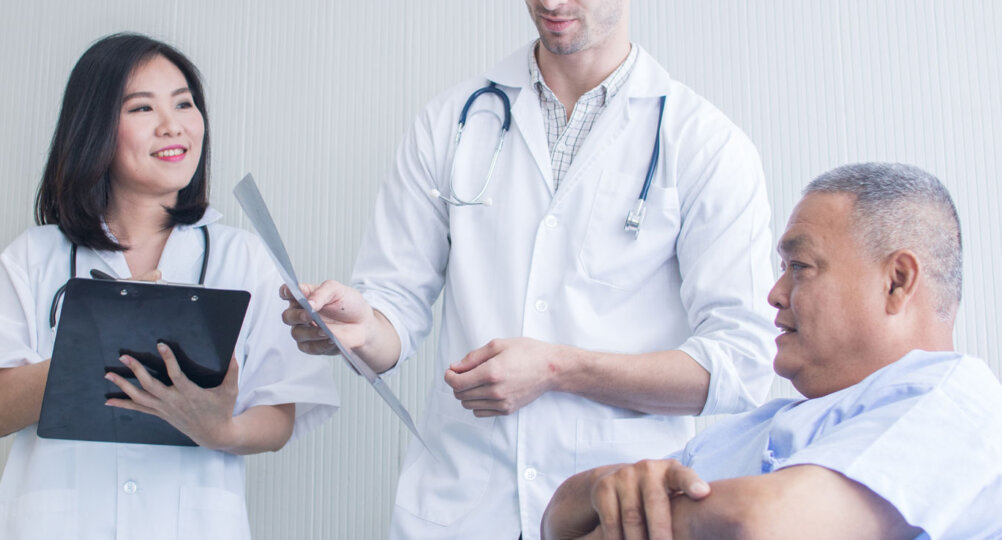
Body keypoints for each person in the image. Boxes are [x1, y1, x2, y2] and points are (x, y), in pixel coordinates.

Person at [280, 1, 776, 537]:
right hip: (462, 505)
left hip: (615, 514)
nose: (552, 3)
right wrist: (362, 326)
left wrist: (559, 369)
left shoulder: (705, 143)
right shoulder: (452, 120)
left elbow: (742, 363)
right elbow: (392, 312)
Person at [0, 33, 338, 540]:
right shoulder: (34, 256)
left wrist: (220, 430)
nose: (173, 125)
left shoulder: (242, 257)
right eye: (141, 108)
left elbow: (280, 413)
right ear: (94, 130)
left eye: (184, 103)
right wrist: (95, 342)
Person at [541, 163, 1002, 540]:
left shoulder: (958, 402)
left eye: (799, 267)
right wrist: (605, 486)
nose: (775, 293)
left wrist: (631, 514)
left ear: (896, 281)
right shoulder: (752, 429)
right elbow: (559, 520)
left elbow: (760, 524)